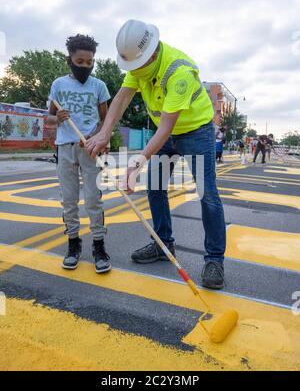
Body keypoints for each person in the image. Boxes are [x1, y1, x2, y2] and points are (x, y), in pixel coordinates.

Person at [86, 20, 226, 290]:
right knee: (155, 187)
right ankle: (163, 244)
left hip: (195, 132)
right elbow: (122, 98)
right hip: (168, 133)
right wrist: (104, 132)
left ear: (151, 54)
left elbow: (165, 129)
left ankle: (215, 260)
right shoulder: (138, 65)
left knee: (207, 194)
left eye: (137, 67)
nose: (133, 72)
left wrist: (136, 163)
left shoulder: (179, 71)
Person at [46, 34, 111, 274]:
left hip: (90, 149)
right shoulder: (58, 85)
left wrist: (98, 137)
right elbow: (49, 119)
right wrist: (57, 118)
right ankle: (73, 244)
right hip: (65, 148)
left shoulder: (99, 86)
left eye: (89, 62)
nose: (85, 66)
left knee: (94, 199)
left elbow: (106, 120)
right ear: (70, 59)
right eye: (80, 61)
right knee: (69, 200)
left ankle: (99, 246)